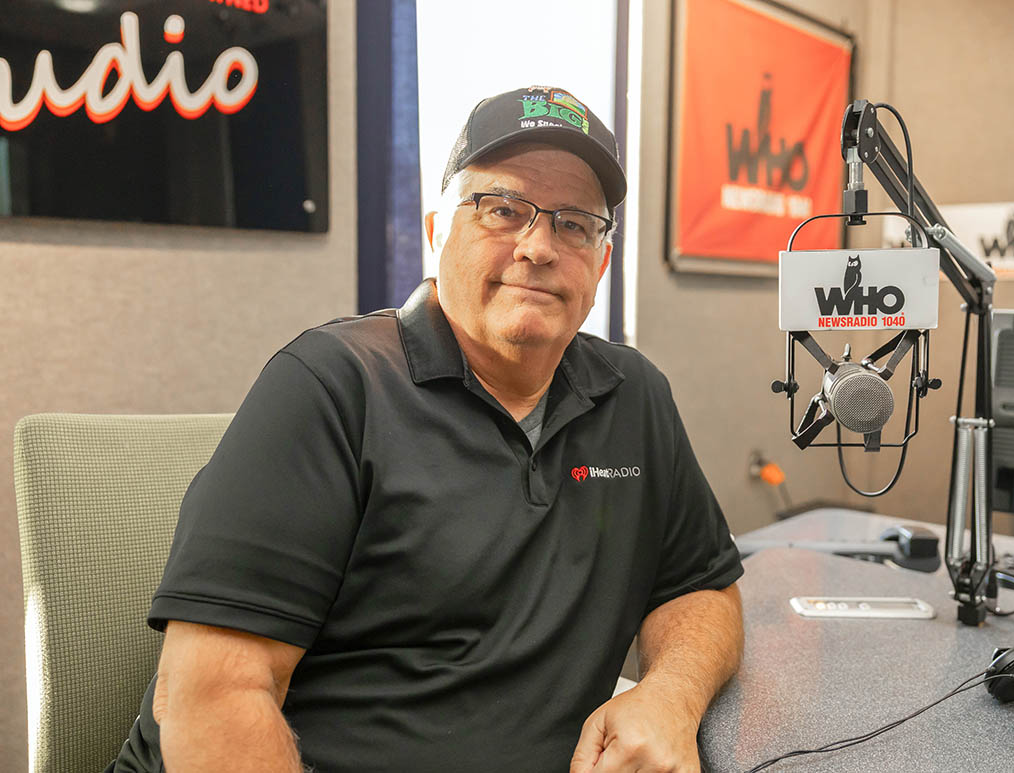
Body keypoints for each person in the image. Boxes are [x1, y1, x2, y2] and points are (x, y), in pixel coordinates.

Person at [110, 85, 743, 773]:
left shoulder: (634, 397)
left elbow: (701, 584)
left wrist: (669, 695)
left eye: (573, 224)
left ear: (601, 262)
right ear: (439, 229)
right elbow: (211, 697)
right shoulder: (329, 387)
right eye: (502, 209)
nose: (538, 246)